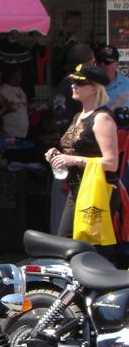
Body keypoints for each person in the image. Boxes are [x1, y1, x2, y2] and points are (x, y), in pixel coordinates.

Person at [46, 64, 120, 261]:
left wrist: (73, 159)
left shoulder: (102, 118)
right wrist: (57, 154)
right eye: (73, 81)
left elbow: (111, 163)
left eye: (80, 83)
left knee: (90, 248)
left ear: (94, 88)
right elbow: (75, 150)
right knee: (71, 244)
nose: (74, 86)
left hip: (98, 191)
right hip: (78, 189)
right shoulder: (79, 116)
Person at [95, 44, 129, 110]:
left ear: (117, 65)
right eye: (99, 61)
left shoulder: (127, 85)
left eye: (106, 62)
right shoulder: (89, 85)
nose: (102, 64)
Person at [0, 68, 29, 140]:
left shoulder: (20, 89)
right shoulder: (3, 89)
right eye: (15, 75)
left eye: (19, 75)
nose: (18, 78)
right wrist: (7, 109)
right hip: (10, 133)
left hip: (23, 133)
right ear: (9, 76)